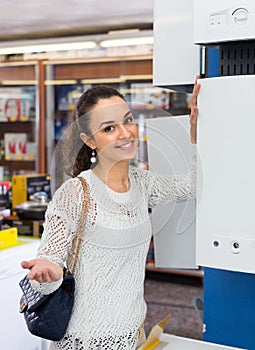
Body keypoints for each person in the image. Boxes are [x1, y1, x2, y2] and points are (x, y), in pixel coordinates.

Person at [21, 78, 200, 350]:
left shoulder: (142, 183)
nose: (126, 133)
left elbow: (192, 186)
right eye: (109, 128)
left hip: (134, 332)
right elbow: (49, 263)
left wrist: (196, 133)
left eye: (127, 120)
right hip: (86, 341)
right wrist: (49, 274)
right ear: (90, 140)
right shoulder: (75, 194)